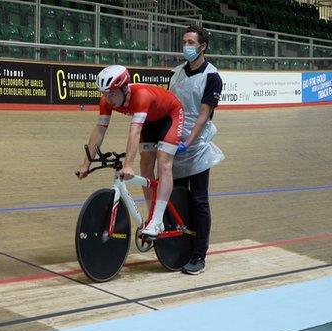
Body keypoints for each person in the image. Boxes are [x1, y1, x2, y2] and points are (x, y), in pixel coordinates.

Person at [77, 65, 185, 237]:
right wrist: (86, 163)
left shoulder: (141, 96)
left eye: (112, 93)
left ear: (124, 87)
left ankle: (158, 220)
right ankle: (152, 216)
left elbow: (134, 131)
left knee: (164, 164)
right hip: (149, 121)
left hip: (170, 115)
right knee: (146, 164)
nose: (108, 98)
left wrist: (128, 165)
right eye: (105, 93)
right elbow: (99, 130)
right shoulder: (106, 101)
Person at [169, 25, 224, 275]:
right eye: (184, 42)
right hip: (175, 140)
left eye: (191, 42)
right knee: (178, 198)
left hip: (196, 144)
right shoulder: (176, 73)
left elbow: (203, 115)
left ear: (202, 46)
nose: (186, 46)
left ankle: (199, 255)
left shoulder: (212, 76)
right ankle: (179, 247)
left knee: (199, 199)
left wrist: (189, 141)